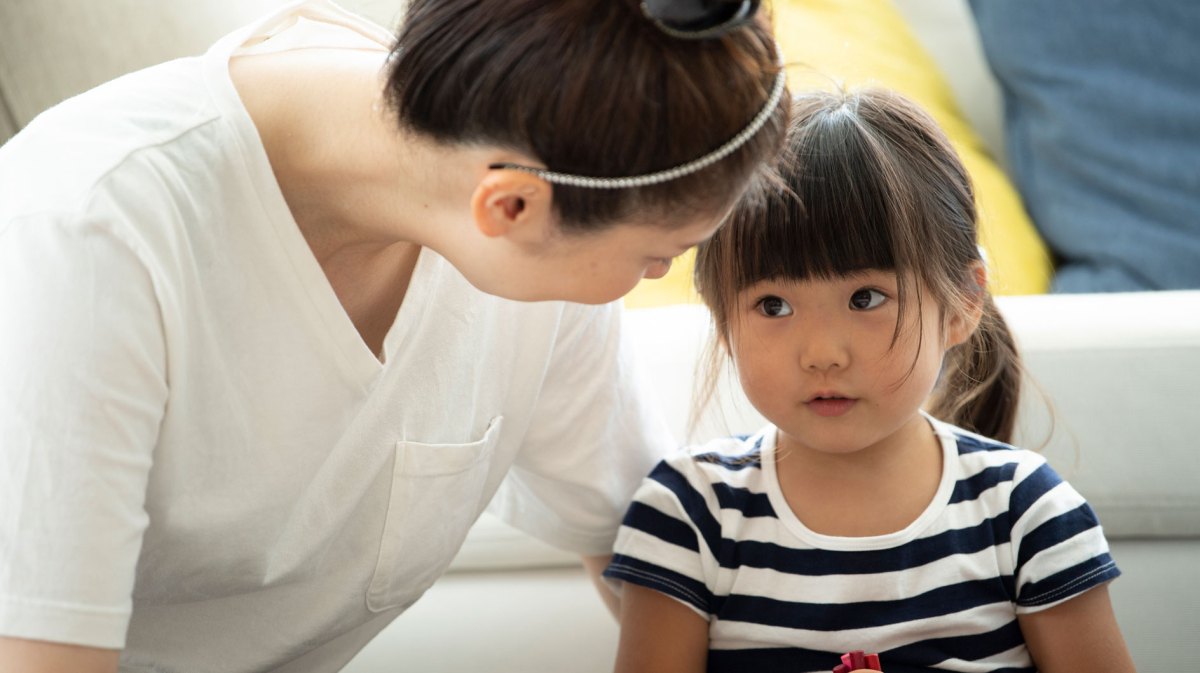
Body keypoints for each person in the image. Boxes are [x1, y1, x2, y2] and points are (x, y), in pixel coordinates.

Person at [0, 0, 789, 670]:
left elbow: (633, 539)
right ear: (510, 208)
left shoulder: (540, 158)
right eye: (661, 256)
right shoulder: (86, 239)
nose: (656, 279)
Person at [603, 89, 1136, 673]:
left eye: (866, 298)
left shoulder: (1026, 512)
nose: (823, 354)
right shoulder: (689, 514)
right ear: (722, 319)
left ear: (960, 304)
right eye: (773, 305)